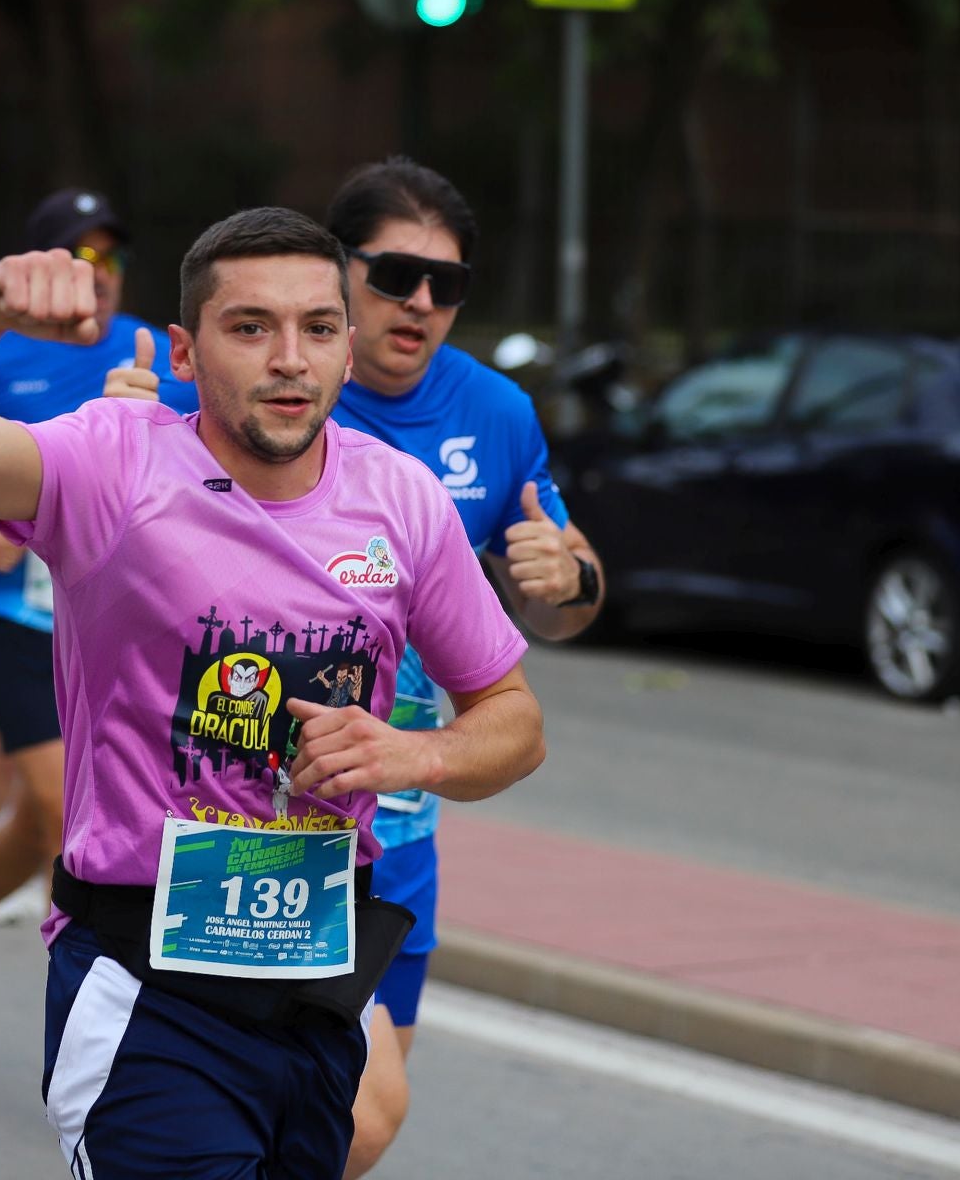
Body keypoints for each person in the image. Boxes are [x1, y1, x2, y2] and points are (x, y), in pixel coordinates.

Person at [0, 206, 545, 1177]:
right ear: (186, 351)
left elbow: (514, 716)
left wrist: (419, 752)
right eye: (249, 327)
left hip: (315, 975)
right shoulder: (113, 460)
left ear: (346, 351)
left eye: (317, 328)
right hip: (147, 979)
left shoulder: (402, 501)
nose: (289, 357)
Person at [326, 157, 604, 1178]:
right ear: (337, 268)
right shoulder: (263, 386)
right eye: (397, 274)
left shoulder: (495, 414)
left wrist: (562, 576)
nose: (423, 303)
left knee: (350, 1119)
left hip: (401, 826)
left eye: (449, 284)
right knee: (360, 1111)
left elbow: (562, 599)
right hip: (266, 812)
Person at [0, 187, 197, 1038]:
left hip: (118, 632)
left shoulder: (156, 350)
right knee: (69, 819)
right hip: (16, 621)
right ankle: (111, 1027)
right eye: (80, 256)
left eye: (112, 258)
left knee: (36, 819)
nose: (99, 274)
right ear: (42, 266)